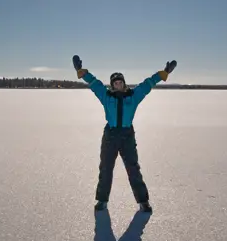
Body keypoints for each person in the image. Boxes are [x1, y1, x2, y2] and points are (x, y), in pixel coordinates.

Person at [72, 54, 177, 213]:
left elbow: (147, 84)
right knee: (106, 169)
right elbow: (95, 83)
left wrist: (163, 73)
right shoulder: (106, 96)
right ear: (112, 85)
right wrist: (81, 71)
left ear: (124, 83)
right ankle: (102, 200)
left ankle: (143, 201)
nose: (118, 84)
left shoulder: (133, 96)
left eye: (120, 82)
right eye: (115, 83)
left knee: (133, 169)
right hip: (110, 136)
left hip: (127, 135)